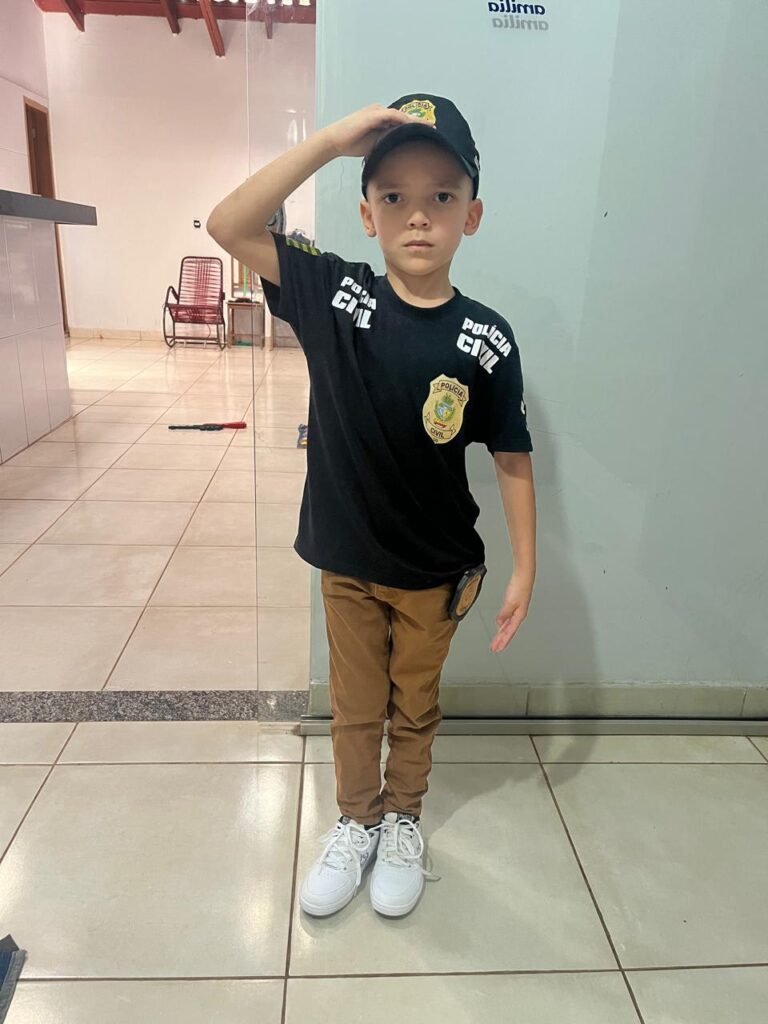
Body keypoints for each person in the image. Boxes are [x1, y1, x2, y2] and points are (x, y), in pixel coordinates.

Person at [207, 94, 537, 919]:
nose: (417, 216)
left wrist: (526, 568)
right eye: (394, 196)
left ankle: (402, 821)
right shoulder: (336, 297)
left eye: (441, 196)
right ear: (366, 214)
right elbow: (228, 225)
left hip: (434, 572)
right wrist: (327, 142)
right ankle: (356, 821)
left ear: (472, 215)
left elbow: (511, 454)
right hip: (347, 563)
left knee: (413, 707)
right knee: (355, 708)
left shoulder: (487, 338)